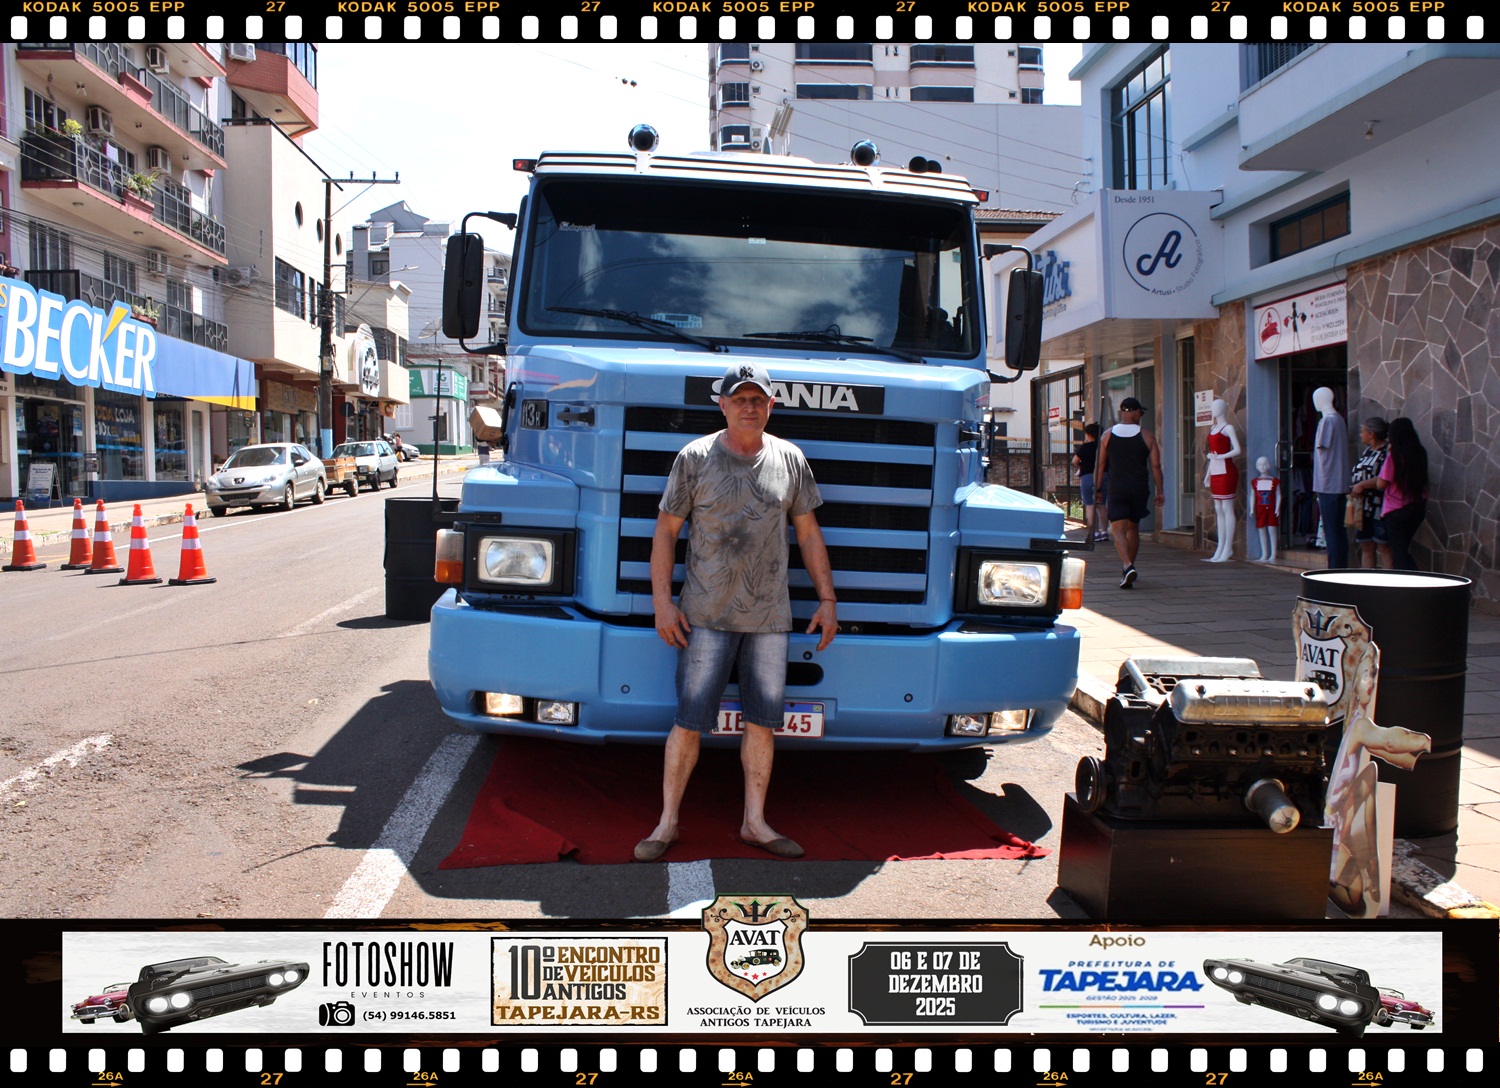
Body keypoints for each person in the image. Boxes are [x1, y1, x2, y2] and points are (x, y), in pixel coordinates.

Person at [635, 362, 838, 863]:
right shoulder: (695, 458)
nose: (749, 407)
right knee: (689, 721)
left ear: (771, 406)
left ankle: (755, 823)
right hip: (703, 616)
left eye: (758, 399)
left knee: (763, 723)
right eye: (740, 399)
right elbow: (665, 531)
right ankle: (666, 823)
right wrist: (662, 604)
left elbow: (808, 533)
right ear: (722, 405)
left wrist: (828, 599)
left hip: (770, 619)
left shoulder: (790, 459)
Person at [1095, 396, 1164, 589]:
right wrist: (1160, 490)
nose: (1141, 415)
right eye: (1140, 412)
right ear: (1134, 412)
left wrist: (1097, 488)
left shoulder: (1107, 435)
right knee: (1133, 528)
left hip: (1117, 488)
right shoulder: (1148, 436)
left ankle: (1127, 565)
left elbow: (1100, 465)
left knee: (1118, 529)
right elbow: (1156, 466)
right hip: (1139, 488)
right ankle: (1129, 567)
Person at [1371, 416, 1429, 571]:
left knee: (1399, 552)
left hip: (1397, 509)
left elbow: (1381, 483)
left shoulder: (1394, 456)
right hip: (1418, 505)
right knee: (1403, 548)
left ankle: (1415, 580)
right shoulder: (1420, 453)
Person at [1311, 386, 1351, 568]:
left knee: (1331, 530)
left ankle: (1334, 568)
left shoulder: (1327, 421)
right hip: (1339, 482)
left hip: (1328, 483)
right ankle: (1339, 566)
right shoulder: (1339, 420)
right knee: (1338, 530)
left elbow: (1322, 447)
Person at [1347, 417, 1391, 569]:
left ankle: (1390, 579)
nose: (1361, 434)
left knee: (1384, 546)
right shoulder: (1368, 451)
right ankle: (1367, 578)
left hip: (1379, 505)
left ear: (1371, 434)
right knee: (1366, 544)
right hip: (1362, 505)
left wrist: (1362, 485)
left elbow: (1386, 476)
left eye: (1363, 431)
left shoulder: (1387, 451)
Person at [1203, 398, 1242, 563]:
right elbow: (1212, 455)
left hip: (1226, 470)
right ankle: (1220, 546)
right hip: (1215, 470)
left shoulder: (1228, 428)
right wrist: (1207, 474)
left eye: (1216, 407)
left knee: (1227, 507)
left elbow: (1237, 449)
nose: (1214, 410)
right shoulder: (1213, 428)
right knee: (1218, 508)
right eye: (1212, 407)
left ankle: (1227, 547)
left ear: (1222, 409)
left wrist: (1220, 456)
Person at [1071, 423, 1103, 542]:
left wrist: (1081, 466)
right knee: (1101, 504)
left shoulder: (1085, 447)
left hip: (1087, 476)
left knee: (1090, 504)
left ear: (1088, 434)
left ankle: (1094, 531)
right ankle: (1104, 531)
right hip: (1103, 476)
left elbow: (1075, 461)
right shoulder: (1102, 446)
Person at [1251, 456, 1280, 564]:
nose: (1262, 467)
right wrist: (1251, 509)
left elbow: (1278, 495)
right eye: (1260, 465)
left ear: (1268, 465)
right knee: (1261, 529)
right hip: (1260, 509)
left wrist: (1277, 508)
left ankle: (1273, 553)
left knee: (1272, 530)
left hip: (1271, 508)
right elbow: (1252, 496)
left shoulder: (1274, 481)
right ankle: (1264, 553)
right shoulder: (1255, 482)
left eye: (1264, 464)